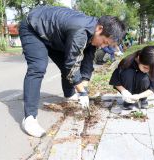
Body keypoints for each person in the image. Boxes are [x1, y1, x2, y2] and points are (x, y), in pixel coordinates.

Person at [19, 5, 126, 137]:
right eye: (104, 42)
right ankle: (29, 118)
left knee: (69, 66)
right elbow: (72, 66)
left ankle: (69, 94)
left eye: (106, 45)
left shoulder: (93, 32)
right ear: (99, 29)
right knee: (38, 67)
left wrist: (84, 88)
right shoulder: (80, 31)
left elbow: (88, 60)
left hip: (54, 36)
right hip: (33, 28)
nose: (103, 46)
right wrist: (81, 91)